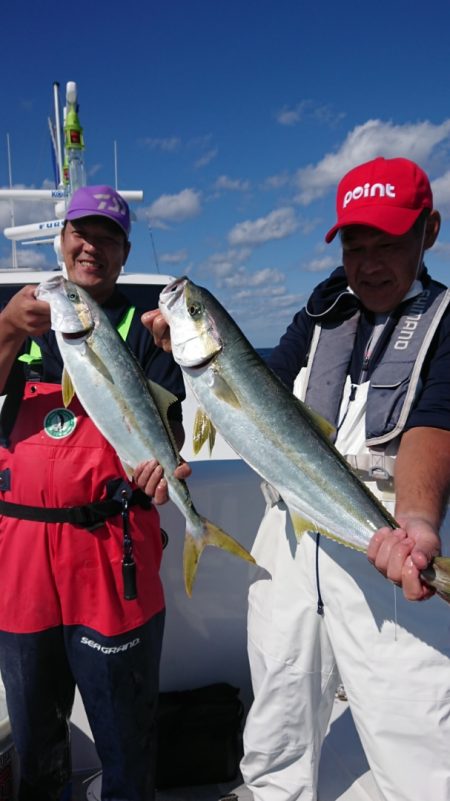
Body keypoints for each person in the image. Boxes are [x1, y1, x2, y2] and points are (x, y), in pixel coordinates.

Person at [142, 157, 450, 801]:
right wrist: (188, 362)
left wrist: (415, 523)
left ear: (430, 232)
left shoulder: (446, 324)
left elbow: (434, 424)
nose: (367, 264)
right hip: (290, 533)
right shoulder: (324, 305)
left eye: (388, 243)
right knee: (278, 709)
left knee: (410, 731)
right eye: (356, 246)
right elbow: (264, 386)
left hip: (387, 545)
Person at [0, 185, 190, 801]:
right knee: (34, 737)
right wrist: (5, 330)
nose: (91, 247)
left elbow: (172, 430)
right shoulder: (22, 321)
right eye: (81, 233)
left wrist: (165, 466)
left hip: (113, 554)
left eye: (107, 238)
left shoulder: (144, 331)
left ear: (124, 253)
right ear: (61, 243)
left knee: (125, 737)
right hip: (22, 557)